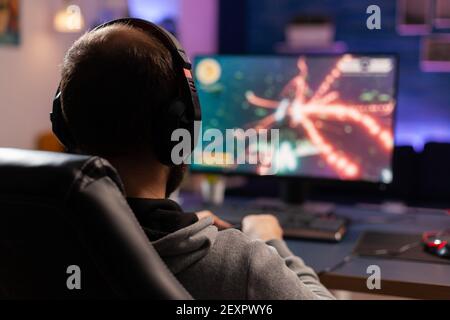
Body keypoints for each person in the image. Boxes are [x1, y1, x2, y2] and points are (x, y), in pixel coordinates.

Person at [57, 22, 335, 300]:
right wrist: (272, 242)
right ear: (181, 128)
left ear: (64, 128)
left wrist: (179, 228)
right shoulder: (240, 265)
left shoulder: (39, 241)